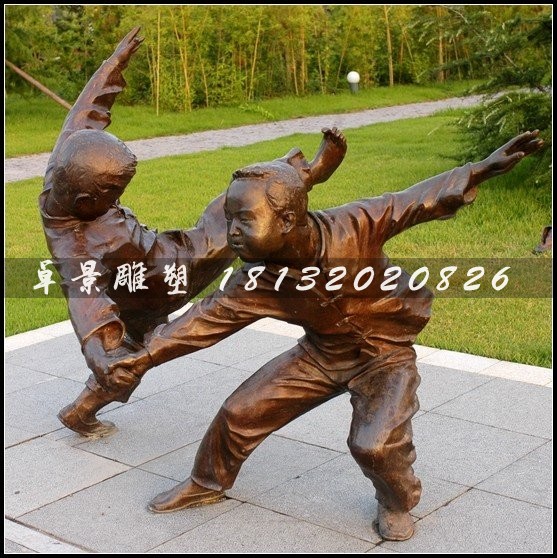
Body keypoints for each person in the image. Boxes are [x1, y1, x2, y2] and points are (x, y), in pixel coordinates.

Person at [106, 127, 542, 541]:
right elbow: (202, 322)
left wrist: (481, 169)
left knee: (374, 445)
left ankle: (397, 502)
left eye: (244, 220)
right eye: (229, 219)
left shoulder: (356, 225)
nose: (232, 232)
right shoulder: (255, 281)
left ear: (287, 219)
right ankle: (206, 482)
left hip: (384, 355)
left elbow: (416, 200)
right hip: (322, 355)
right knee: (239, 412)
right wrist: (143, 357)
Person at [40, 27, 347, 438]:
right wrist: (99, 351)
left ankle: (81, 411)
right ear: (84, 200)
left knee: (133, 352)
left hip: (144, 271)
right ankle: (305, 174)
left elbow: (85, 112)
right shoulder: (74, 245)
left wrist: (114, 62)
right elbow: (86, 302)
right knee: (234, 213)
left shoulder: (66, 163)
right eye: (113, 193)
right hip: (169, 273)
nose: (120, 197)